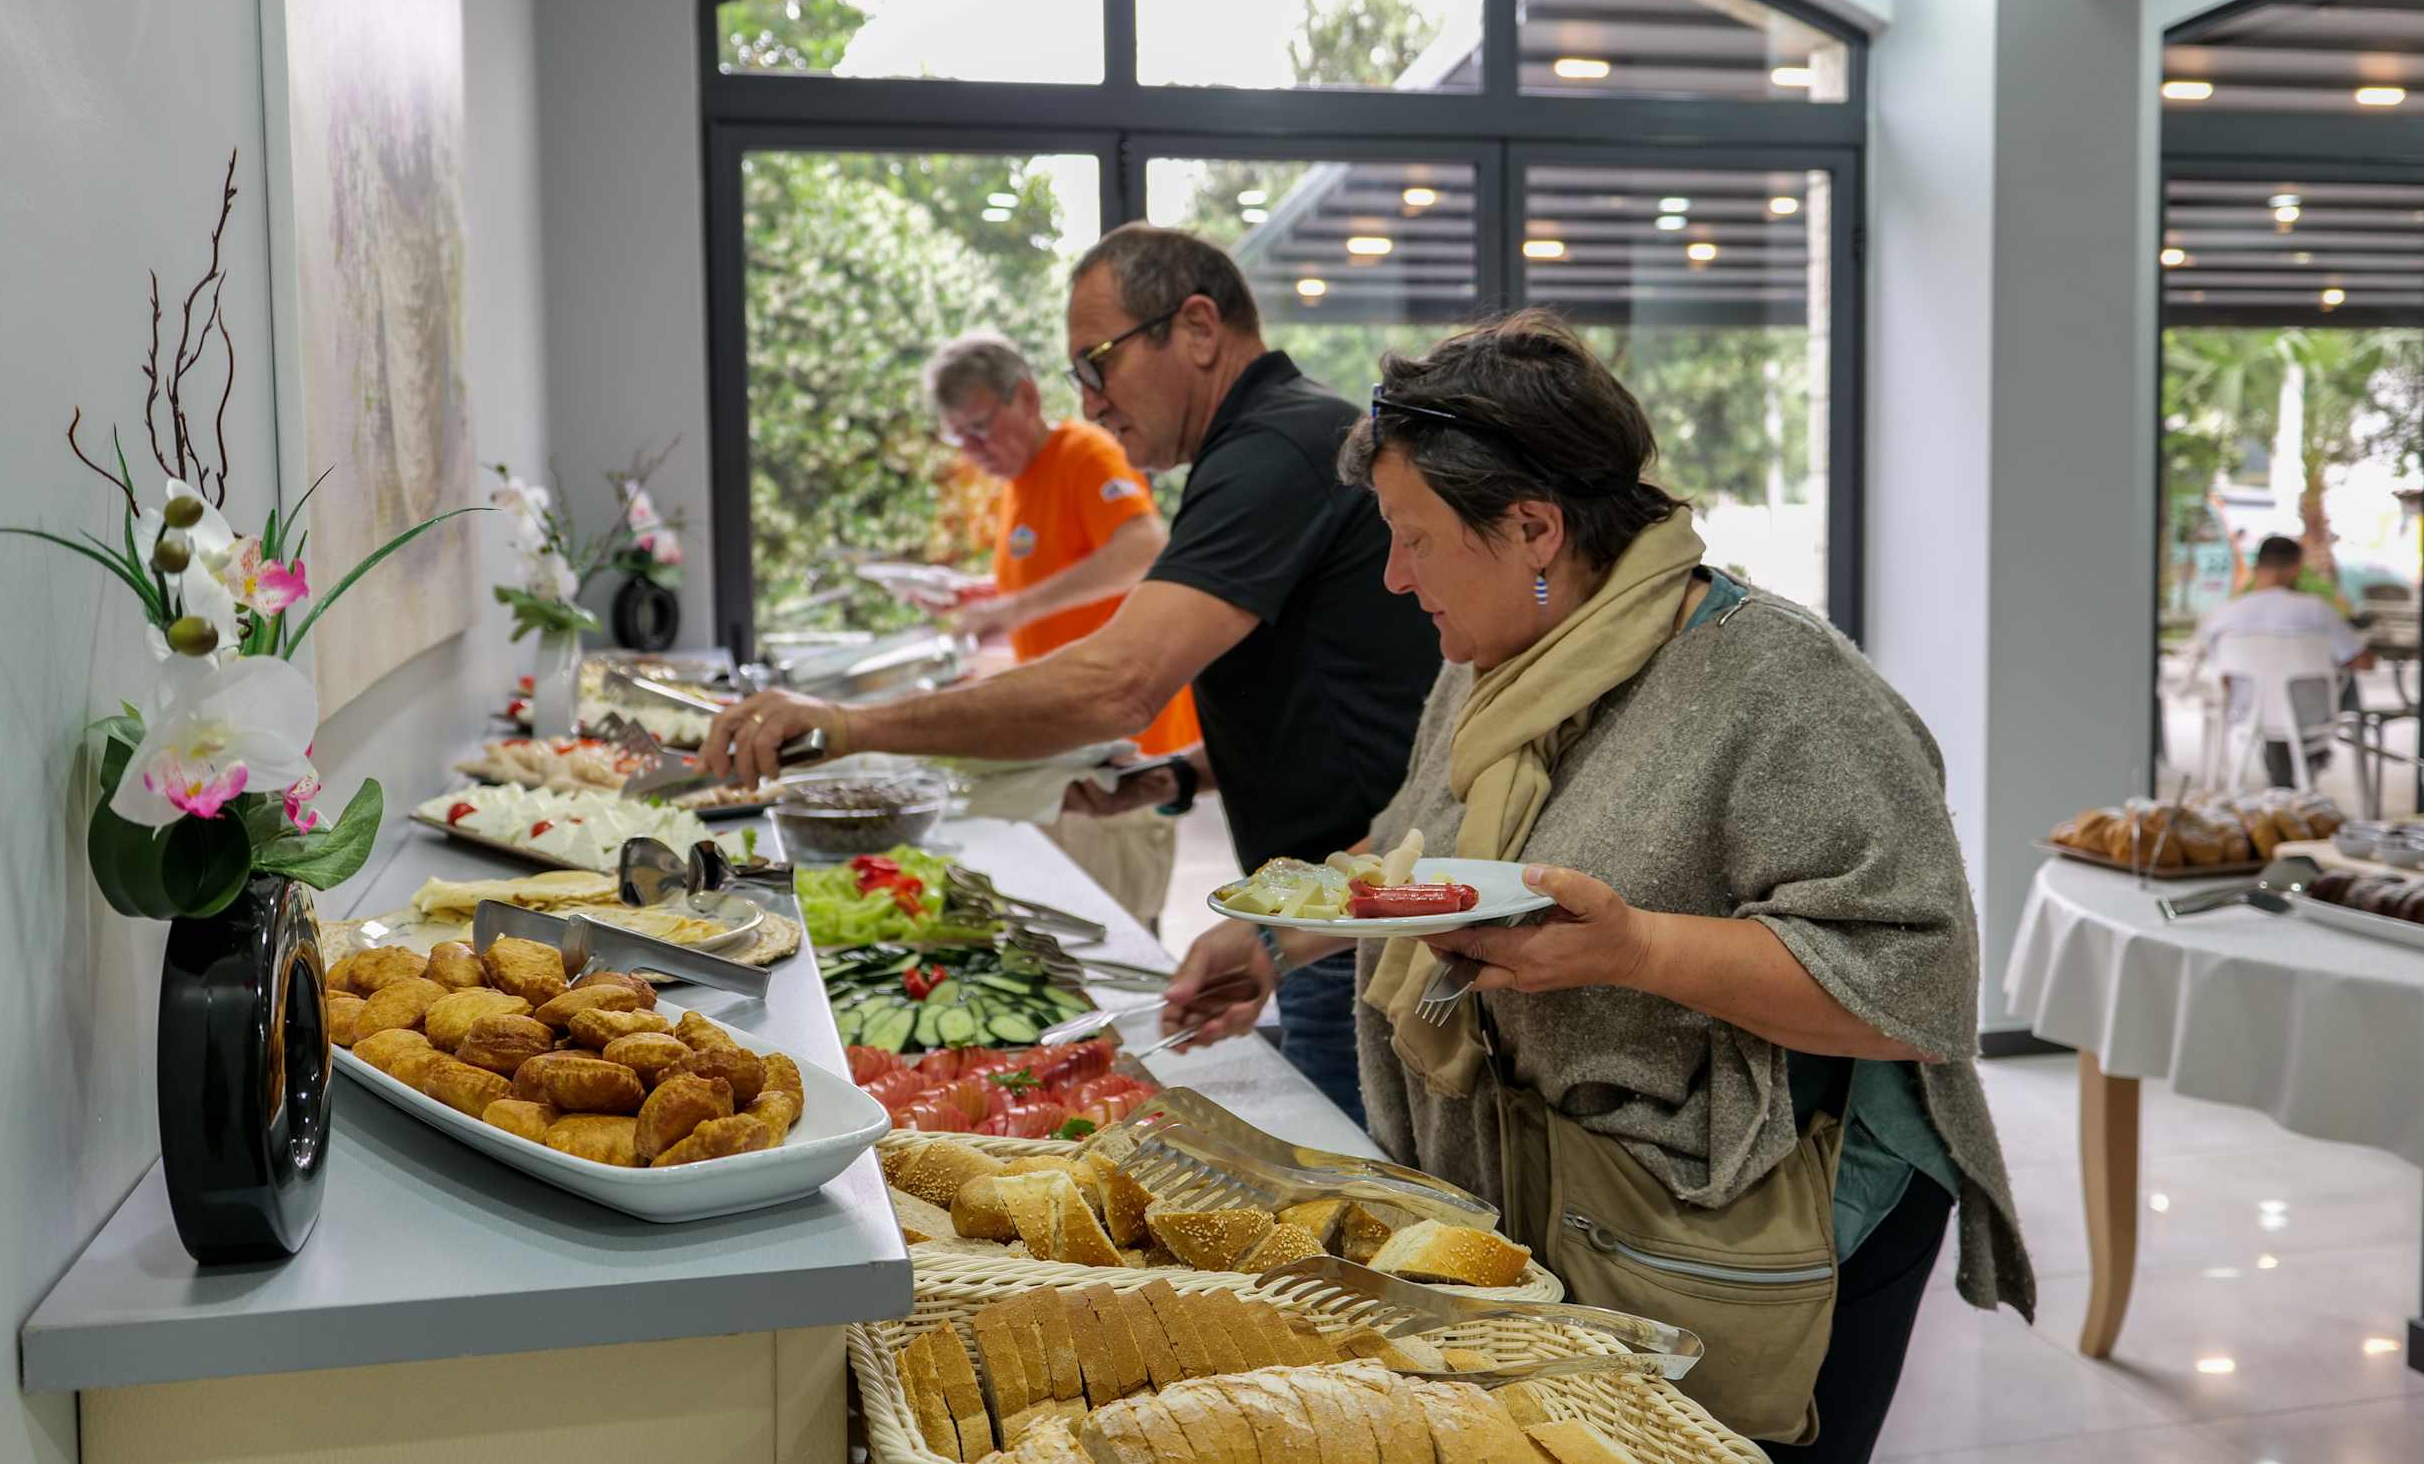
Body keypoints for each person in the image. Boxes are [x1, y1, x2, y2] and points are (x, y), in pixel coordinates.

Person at [1154, 311, 2032, 1460]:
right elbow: (1418, 847)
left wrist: (1637, 950)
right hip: (1554, 1207)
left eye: (1414, 540)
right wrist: (1281, 940)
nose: (1394, 576)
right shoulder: (1497, 657)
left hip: (1743, 1225)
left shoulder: (1780, 685)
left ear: (1534, 527)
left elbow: (1913, 987)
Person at [706, 225, 1442, 1126]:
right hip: (1330, 907)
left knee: (1354, 1187)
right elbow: (1330, 692)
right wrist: (1177, 777)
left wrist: (849, 725)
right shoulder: (1266, 440)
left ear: (1198, 328)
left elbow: (1118, 684)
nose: (1090, 405)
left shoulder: (1276, 448)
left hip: (1365, 913)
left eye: (1098, 364)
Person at [919, 331, 1202, 928]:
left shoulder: (1084, 453)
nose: (973, 449)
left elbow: (1143, 550)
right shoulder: (1019, 484)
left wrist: (1013, 609)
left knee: (1119, 930)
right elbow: (1059, 578)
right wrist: (981, 595)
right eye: (959, 437)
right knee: (1068, 931)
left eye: (980, 427)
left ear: (1026, 397)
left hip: (1121, 750)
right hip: (1064, 746)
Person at [2193, 534, 2376, 786]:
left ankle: (2285, 776)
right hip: (2311, 713)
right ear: (2295, 567)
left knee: (2272, 696)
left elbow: (2221, 676)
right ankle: (2311, 760)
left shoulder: (2223, 615)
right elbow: (2364, 662)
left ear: (2257, 567)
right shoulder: (2315, 610)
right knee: (2341, 677)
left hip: (2248, 712)